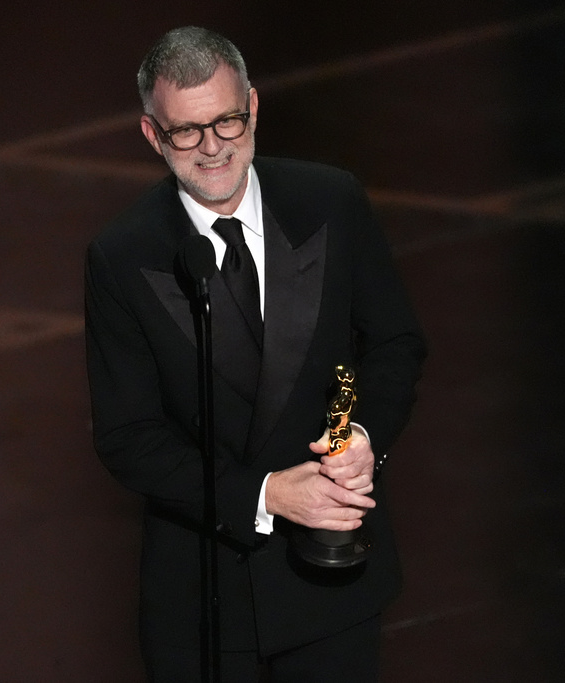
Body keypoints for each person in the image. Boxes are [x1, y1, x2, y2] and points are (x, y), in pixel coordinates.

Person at [84, 26, 426, 682]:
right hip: (206, 602)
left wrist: (363, 436)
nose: (213, 148)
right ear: (153, 135)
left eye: (228, 121)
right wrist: (266, 494)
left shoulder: (329, 202)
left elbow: (394, 342)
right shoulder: (124, 255)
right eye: (187, 131)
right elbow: (128, 436)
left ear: (254, 108)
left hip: (330, 579)